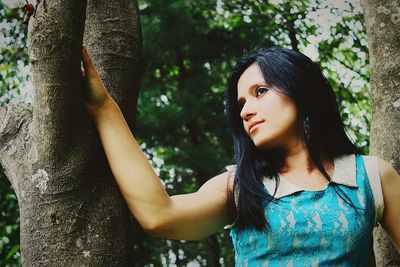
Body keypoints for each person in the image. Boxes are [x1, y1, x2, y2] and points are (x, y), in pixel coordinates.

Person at [80, 45, 400, 266]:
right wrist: (102, 106)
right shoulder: (241, 185)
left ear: (302, 91)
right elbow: (160, 215)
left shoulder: (371, 176)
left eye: (260, 92)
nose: (246, 111)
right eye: (241, 104)